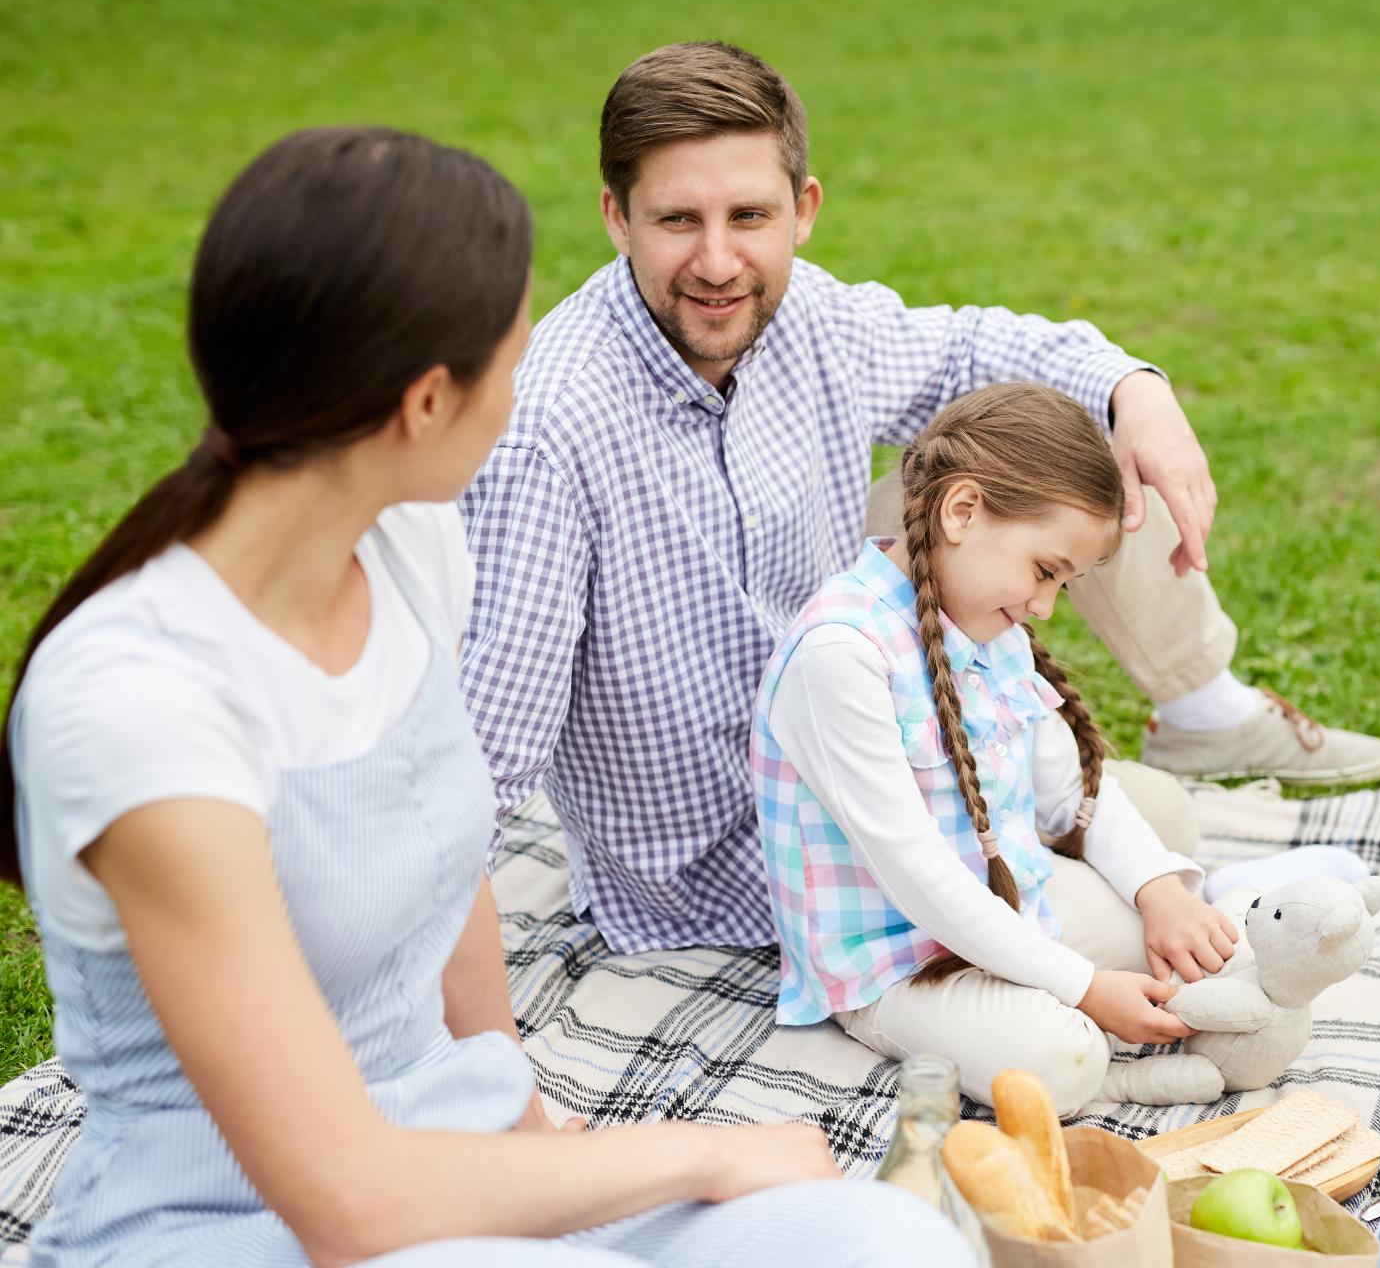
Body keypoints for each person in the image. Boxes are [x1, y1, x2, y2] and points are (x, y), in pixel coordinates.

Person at [1, 127, 967, 1268]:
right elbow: (346, 1199)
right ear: (424, 402)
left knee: (884, 1240)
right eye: (512, 363)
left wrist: (513, 1102)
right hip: (224, 1225)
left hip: (453, 1162)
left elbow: (449, 847)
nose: (530, 390)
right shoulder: (139, 702)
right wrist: (699, 1152)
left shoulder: (407, 547)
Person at [459, 40, 1380, 956]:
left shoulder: (809, 316)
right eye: (676, 222)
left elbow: (966, 351)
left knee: (1062, 465)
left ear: (804, 208)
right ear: (617, 219)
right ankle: (1251, 911)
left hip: (883, 734)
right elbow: (489, 747)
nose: (716, 262)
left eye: (749, 216)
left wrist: (1132, 389)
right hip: (746, 861)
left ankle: (1206, 712)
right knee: (1130, 904)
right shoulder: (546, 426)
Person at [754, 384, 1245, 1116]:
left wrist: (1159, 892)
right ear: (962, 511)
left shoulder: (984, 622)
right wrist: (1080, 986)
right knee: (1061, 1056)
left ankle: (1121, 990)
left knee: (1177, 947)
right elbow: (920, 879)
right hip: (896, 966)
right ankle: (1104, 1072)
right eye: (1046, 571)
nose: (1046, 605)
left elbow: (1065, 785)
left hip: (1011, 901)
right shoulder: (841, 654)